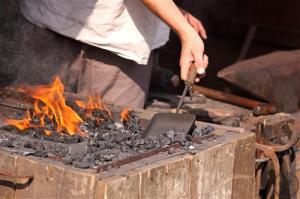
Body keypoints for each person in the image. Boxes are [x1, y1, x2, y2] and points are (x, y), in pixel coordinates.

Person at [20, 0, 208, 108]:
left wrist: (172, 11)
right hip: (61, 26)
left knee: (110, 150)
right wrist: (184, 30)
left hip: (123, 41)